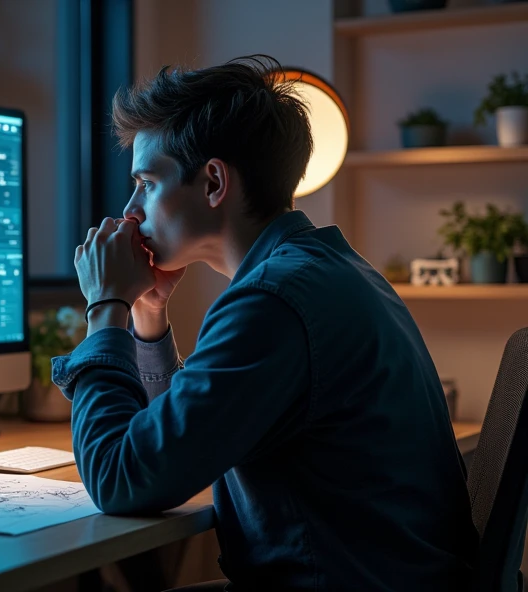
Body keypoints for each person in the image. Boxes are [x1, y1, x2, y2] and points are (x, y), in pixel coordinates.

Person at [51, 55, 478, 591]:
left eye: (146, 183)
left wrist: (104, 306)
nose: (130, 209)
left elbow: (121, 478)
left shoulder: (272, 302)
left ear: (212, 183)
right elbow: (173, 444)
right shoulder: (323, 271)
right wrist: (147, 314)